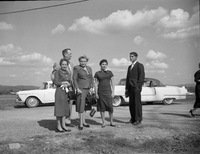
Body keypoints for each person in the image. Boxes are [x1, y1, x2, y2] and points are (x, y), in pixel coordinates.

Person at [73, 55, 94, 130]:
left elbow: (91, 78)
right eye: (81, 61)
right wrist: (77, 88)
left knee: (86, 107)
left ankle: (84, 122)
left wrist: (92, 87)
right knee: (81, 107)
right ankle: (80, 124)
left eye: (84, 61)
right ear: (79, 61)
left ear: (86, 61)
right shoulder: (77, 68)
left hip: (88, 89)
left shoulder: (89, 68)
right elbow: (74, 79)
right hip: (81, 90)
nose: (83, 62)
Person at [94, 59, 115, 128]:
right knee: (102, 108)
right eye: (103, 64)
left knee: (110, 108)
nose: (104, 65)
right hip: (101, 92)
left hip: (108, 91)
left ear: (107, 65)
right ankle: (103, 123)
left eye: (105, 64)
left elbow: (112, 83)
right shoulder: (97, 73)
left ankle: (111, 122)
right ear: (100, 65)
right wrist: (96, 93)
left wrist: (113, 92)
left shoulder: (109, 72)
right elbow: (96, 84)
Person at [125, 52, 145, 125]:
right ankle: (133, 119)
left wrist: (137, 86)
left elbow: (141, 77)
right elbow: (127, 79)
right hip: (130, 88)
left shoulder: (140, 65)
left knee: (137, 104)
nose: (131, 58)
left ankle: (138, 119)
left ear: (136, 57)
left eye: (132, 56)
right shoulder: (129, 67)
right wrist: (126, 89)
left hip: (136, 88)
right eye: (130, 56)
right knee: (131, 104)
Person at [53, 58, 72, 132]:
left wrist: (69, 84)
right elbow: (56, 82)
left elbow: (69, 81)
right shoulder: (57, 72)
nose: (64, 66)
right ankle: (58, 125)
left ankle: (63, 125)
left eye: (65, 64)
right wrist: (64, 83)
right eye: (63, 64)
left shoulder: (67, 72)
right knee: (59, 109)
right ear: (60, 65)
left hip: (65, 92)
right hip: (60, 91)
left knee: (64, 109)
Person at [61, 48, 74, 125]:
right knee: (64, 104)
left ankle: (68, 119)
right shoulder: (60, 63)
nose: (71, 55)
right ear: (65, 54)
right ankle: (63, 121)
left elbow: (73, 76)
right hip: (63, 88)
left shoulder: (71, 64)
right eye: (70, 54)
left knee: (70, 104)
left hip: (71, 88)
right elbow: (54, 76)